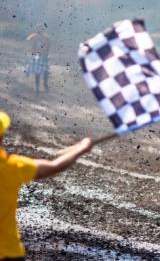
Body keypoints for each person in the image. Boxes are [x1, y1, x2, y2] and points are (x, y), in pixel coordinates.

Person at [0, 111, 93, 260]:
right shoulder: (13, 167)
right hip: (9, 252)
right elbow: (54, 166)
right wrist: (80, 149)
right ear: (2, 136)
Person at [25, 26, 51, 96]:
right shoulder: (34, 36)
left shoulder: (46, 37)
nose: (40, 30)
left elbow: (48, 47)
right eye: (39, 29)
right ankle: (37, 87)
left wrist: (46, 54)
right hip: (37, 56)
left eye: (41, 29)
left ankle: (44, 84)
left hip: (43, 56)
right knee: (38, 72)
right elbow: (29, 42)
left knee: (45, 72)